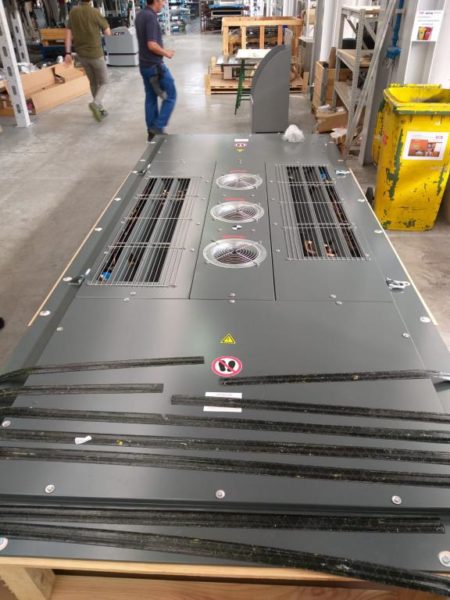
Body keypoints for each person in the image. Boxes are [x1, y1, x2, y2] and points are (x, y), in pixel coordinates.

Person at [135, 0, 176, 141]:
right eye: (162, 1)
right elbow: (151, 45)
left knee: (151, 97)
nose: (163, 4)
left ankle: (151, 132)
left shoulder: (140, 15)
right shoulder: (150, 17)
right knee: (171, 95)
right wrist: (166, 53)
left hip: (144, 65)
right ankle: (158, 127)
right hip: (155, 66)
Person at [64, 0, 111, 122]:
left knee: (93, 82)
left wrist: (67, 53)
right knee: (105, 81)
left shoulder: (73, 13)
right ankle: (96, 103)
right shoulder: (94, 12)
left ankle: (99, 109)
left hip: (82, 55)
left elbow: (68, 35)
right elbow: (107, 32)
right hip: (96, 54)